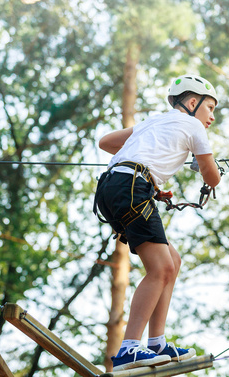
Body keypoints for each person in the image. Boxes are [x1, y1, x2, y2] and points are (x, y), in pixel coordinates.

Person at [94, 74, 221, 371]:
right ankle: (129, 349)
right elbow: (211, 176)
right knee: (161, 268)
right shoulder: (192, 125)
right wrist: (211, 167)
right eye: (210, 108)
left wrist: (146, 172)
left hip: (113, 187)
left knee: (171, 261)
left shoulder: (153, 122)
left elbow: (105, 142)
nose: (212, 117)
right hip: (131, 186)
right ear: (192, 103)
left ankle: (156, 343)